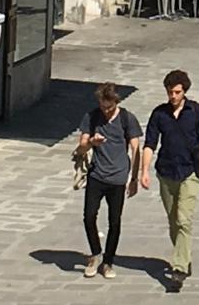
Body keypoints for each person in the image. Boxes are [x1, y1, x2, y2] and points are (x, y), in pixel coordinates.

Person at [140, 70, 199, 290]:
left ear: (184, 91)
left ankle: (179, 268)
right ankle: (184, 255)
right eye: (169, 92)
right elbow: (150, 144)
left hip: (190, 173)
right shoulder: (159, 114)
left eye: (176, 92)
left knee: (184, 219)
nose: (172, 96)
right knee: (173, 221)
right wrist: (143, 171)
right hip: (166, 172)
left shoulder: (198, 112)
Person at [76, 83, 141, 280]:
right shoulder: (92, 116)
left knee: (115, 221)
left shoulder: (126, 118)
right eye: (103, 106)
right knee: (88, 217)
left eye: (109, 107)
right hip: (97, 175)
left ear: (116, 103)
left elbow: (136, 148)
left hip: (118, 178)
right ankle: (96, 254)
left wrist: (134, 178)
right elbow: (80, 148)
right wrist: (91, 143)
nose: (105, 111)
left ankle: (108, 261)